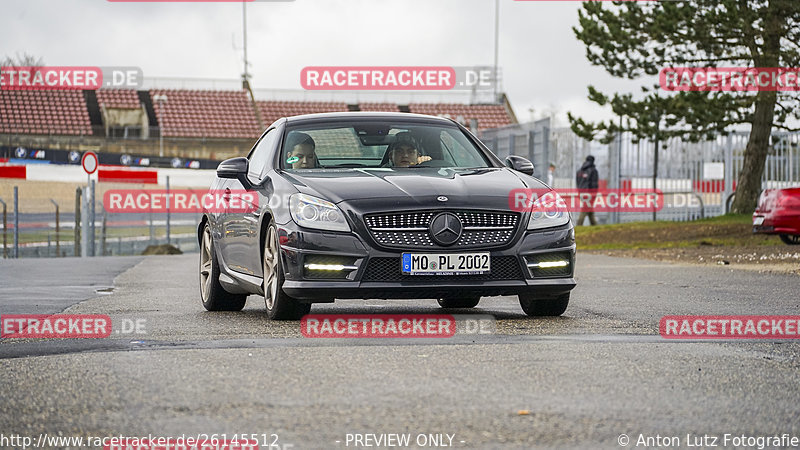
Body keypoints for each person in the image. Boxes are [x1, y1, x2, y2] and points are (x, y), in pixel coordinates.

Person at [576, 155, 598, 226]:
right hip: (590, 194)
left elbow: (578, 183)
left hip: (581, 193)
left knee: (589, 209)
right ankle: (579, 226)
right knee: (585, 209)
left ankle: (594, 225)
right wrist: (594, 195)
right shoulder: (593, 171)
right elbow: (594, 184)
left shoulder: (579, 171)